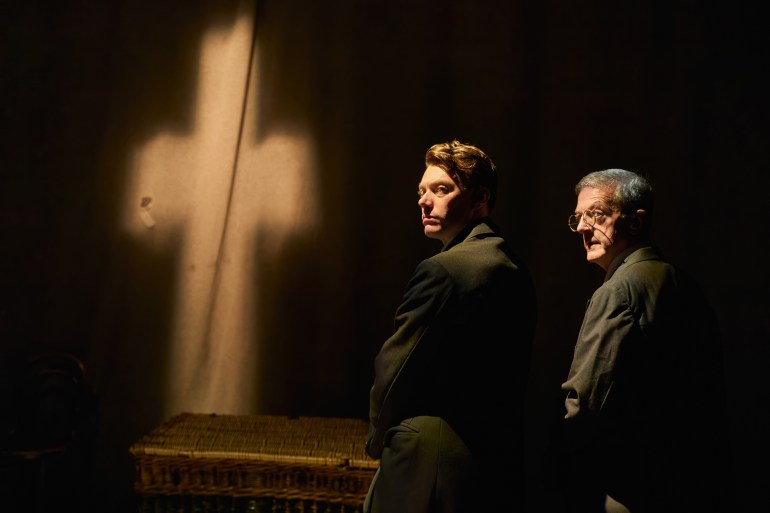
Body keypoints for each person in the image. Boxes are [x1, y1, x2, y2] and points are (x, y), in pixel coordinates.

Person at [363, 140, 537, 513]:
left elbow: (393, 371)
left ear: (480, 198)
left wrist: (378, 440)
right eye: (422, 191)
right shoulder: (513, 269)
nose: (425, 202)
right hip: (489, 465)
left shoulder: (444, 271)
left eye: (441, 189)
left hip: (426, 463)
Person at [557, 168, 735, 512]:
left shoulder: (618, 291)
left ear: (636, 221)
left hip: (633, 486)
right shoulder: (684, 284)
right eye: (578, 218)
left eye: (595, 215)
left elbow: (587, 403)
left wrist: (560, 471)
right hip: (695, 482)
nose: (582, 228)